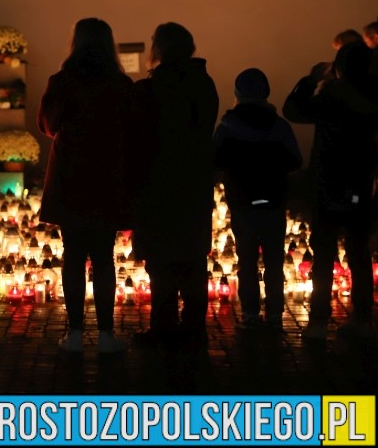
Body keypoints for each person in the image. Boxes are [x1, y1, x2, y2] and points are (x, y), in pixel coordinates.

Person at [37, 18, 131, 354]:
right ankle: (106, 334)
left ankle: (75, 332)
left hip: (71, 176)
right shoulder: (120, 84)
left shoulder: (63, 81)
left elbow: (48, 124)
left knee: (73, 255)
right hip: (107, 176)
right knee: (104, 257)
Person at [131, 22, 219, 348]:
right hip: (194, 182)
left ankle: (163, 326)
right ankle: (194, 326)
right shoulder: (203, 84)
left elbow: (138, 137)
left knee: (161, 261)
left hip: (157, 183)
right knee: (193, 258)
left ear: (159, 49)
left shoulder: (150, 89)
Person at [283, 41, 378, 340]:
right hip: (359, 184)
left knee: (323, 254)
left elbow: (292, 109)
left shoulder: (331, 98)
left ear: (338, 68)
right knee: (359, 253)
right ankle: (363, 320)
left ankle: (319, 322)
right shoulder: (374, 96)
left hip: (327, 184)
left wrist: (311, 80)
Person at [213, 68, 302, 330]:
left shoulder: (228, 126)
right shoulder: (280, 126)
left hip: (243, 203)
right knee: (274, 261)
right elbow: (295, 160)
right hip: (273, 201)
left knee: (247, 260)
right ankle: (274, 314)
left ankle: (250, 313)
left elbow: (215, 160)